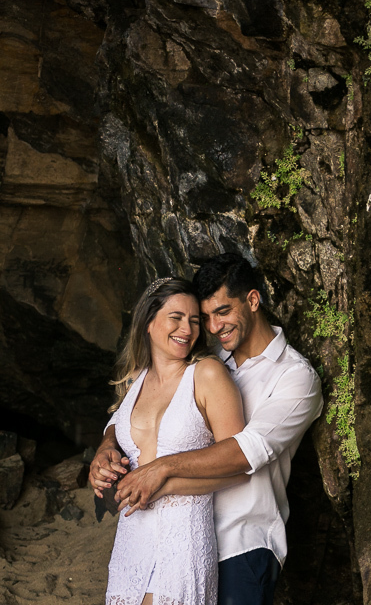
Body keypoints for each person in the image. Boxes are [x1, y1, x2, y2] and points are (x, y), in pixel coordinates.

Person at [90, 254, 324, 605]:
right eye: (207, 318)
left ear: (253, 300)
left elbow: (247, 449)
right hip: (178, 534)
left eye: (223, 312)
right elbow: (142, 407)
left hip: (241, 540)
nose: (213, 327)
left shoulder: (295, 377)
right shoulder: (209, 355)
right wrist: (106, 444)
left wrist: (161, 469)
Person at [101, 276, 247, 605]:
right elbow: (117, 425)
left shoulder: (207, 375)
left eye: (194, 321)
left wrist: (165, 481)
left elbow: (241, 467)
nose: (187, 329)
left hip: (183, 541)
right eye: (176, 318)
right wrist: (105, 449)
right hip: (131, 537)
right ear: (149, 322)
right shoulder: (137, 378)